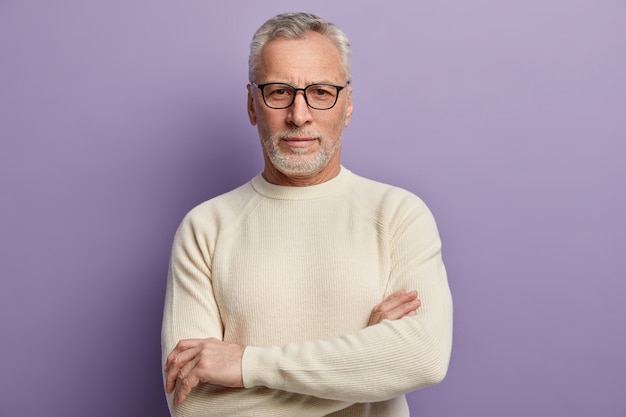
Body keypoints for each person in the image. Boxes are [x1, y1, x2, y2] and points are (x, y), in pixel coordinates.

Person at [161, 12, 453, 417]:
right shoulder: (204, 228)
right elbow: (194, 406)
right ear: (251, 104)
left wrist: (246, 366)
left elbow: (423, 358)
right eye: (279, 92)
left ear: (347, 105)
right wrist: (365, 361)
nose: (299, 115)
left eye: (320, 92)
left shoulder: (399, 215)